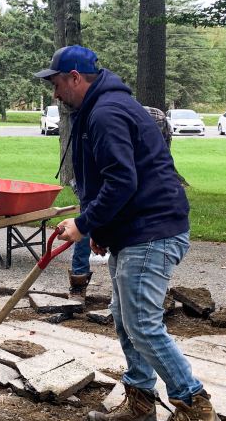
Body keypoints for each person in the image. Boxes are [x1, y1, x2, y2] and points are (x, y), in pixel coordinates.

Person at [37, 45, 224, 421]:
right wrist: (103, 228)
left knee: (141, 320)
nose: (54, 93)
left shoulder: (105, 112)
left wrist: (85, 225)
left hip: (153, 230)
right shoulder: (99, 107)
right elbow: (110, 179)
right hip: (135, 229)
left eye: (56, 83)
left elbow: (121, 180)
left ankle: (200, 411)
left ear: (75, 78)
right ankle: (140, 406)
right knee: (125, 316)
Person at [67, 107, 168, 304]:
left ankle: (147, 289)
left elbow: (159, 159)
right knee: (86, 222)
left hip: (137, 184)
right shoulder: (104, 122)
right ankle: (78, 282)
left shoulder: (157, 119)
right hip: (100, 179)